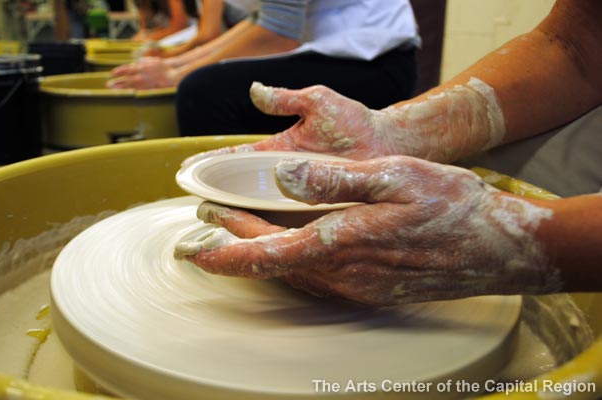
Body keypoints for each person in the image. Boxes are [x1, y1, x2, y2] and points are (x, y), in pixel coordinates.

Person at [173, 0, 602, 306]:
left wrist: (516, 245)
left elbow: (276, 30)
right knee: (460, 175)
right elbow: (577, 44)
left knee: (506, 218)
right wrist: (394, 132)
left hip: (373, 58)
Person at [108, 0, 420, 137]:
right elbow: (258, 21)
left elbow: (278, 33)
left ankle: (235, 220)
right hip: (336, 47)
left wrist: (178, 75)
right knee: (198, 82)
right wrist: (173, 64)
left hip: (375, 62)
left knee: (202, 93)